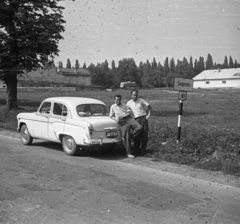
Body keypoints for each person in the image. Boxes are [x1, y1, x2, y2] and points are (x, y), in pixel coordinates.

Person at [127, 90, 151, 156]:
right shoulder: (129, 103)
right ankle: (136, 150)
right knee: (137, 136)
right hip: (135, 120)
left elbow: (149, 106)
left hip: (143, 118)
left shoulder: (141, 100)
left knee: (144, 135)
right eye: (134, 95)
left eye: (136, 95)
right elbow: (127, 110)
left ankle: (143, 151)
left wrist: (148, 115)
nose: (135, 96)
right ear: (131, 95)